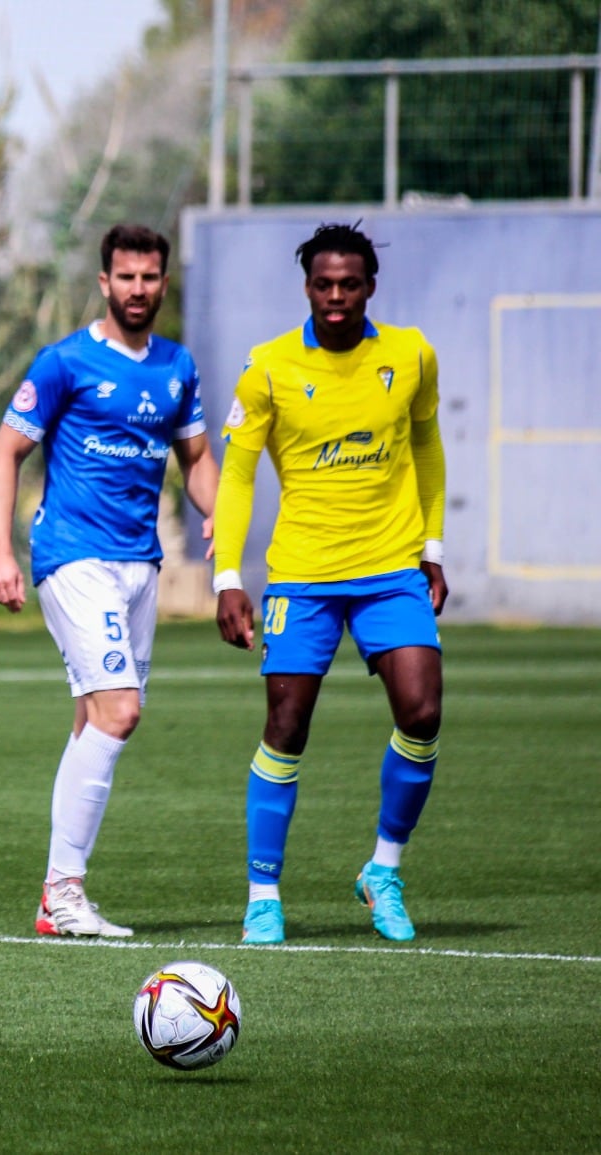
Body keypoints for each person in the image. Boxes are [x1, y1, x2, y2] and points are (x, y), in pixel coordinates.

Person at [212, 222, 447, 945]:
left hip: (390, 567)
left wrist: (432, 546)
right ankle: (263, 893)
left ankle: (383, 869)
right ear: (307, 286)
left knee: (423, 710)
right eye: (324, 283)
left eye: (350, 283)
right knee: (286, 727)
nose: (337, 295)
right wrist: (228, 574)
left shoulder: (410, 355)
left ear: (371, 285)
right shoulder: (269, 367)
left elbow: (427, 446)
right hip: (303, 577)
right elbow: (239, 473)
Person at [0, 223, 219, 938]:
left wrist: (223, 520)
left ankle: (56, 900)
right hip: (73, 554)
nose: (138, 289)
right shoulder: (64, 363)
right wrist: (0, 551)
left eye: (151, 277)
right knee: (120, 711)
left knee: (95, 718)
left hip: (139, 564)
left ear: (163, 283)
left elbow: (199, 457)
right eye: (127, 277)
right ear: (104, 282)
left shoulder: (177, 366)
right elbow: (4, 455)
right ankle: (64, 890)